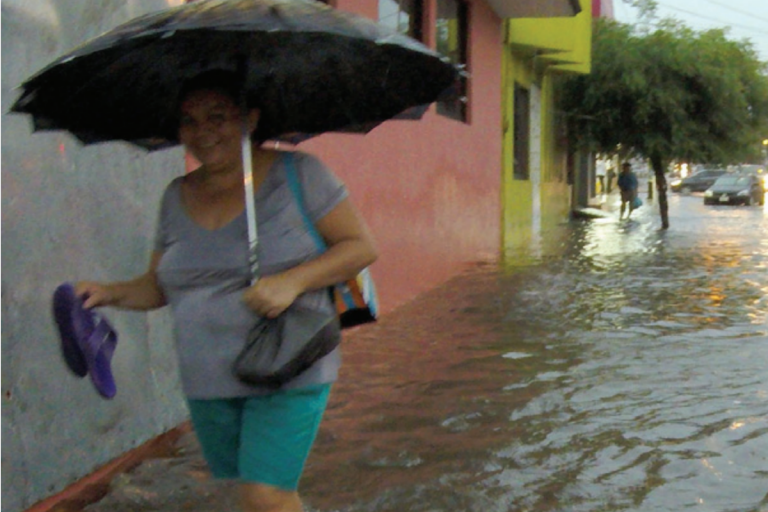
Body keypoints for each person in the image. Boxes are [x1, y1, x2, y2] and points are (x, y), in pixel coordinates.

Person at [75, 70, 378, 512]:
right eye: (189, 121)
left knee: (264, 495)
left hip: (286, 362)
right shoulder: (175, 195)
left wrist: (291, 281)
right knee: (251, 492)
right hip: (208, 376)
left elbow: (360, 247)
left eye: (218, 116)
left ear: (251, 118)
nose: (202, 132)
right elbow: (159, 287)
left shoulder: (300, 175)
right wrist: (107, 293)